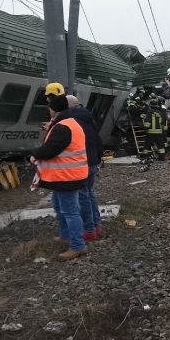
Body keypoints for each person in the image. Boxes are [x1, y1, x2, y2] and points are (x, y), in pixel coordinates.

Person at [31, 95, 88, 260]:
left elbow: (50, 149)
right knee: (59, 206)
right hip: (66, 175)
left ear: (53, 109)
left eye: (49, 107)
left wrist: (34, 155)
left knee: (70, 211)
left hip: (67, 176)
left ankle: (77, 245)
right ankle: (65, 235)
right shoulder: (68, 123)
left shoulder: (63, 126)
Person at [67, 95, 103, 239]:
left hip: (82, 163)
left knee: (83, 197)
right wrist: (98, 159)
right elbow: (98, 139)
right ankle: (96, 225)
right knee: (90, 193)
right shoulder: (89, 118)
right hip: (92, 161)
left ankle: (89, 230)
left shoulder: (73, 121)